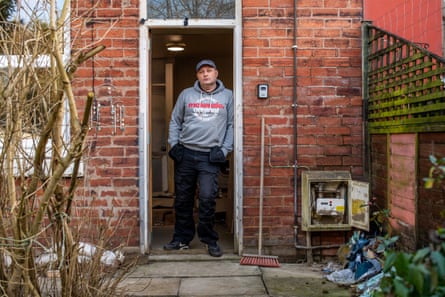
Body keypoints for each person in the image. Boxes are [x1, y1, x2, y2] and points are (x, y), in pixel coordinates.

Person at [164, 59, 234, 257]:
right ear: (197, 76)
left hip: (210, 156)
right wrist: (174, 144)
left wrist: (225, 149)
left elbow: (232, 124)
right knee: (183, 199)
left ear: (216, 73)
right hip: (186, 153)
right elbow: (175, 121)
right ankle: (181, 239)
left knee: (207, 197)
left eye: (209, 70)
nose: (205, 74)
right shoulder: (187, 94)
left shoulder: (228, 96)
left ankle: (209, 239)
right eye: (201, 71)